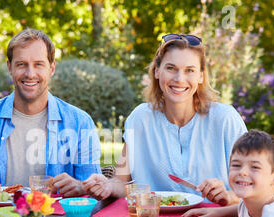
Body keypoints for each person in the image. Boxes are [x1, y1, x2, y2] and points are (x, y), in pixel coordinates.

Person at [83, 34, 247, 205]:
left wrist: (229, 196)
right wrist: (107, 185)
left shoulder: (226, 120)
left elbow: (255, 189)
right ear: (156, 71)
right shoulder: (140, 119)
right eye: (171, 68)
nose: (179, 79)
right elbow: (120, 181)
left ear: (201, 76)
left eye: (189, 70)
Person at [0, 28, 101, 197]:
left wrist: (81, 187)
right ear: (10, 67)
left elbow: (94, 188)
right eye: (21, 64)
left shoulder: (79, 122)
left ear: (51, 68)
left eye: (38, 64)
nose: (30, 74)